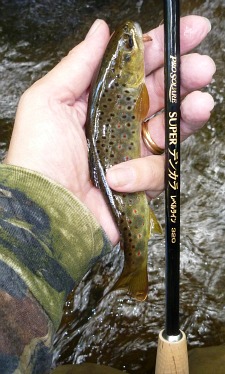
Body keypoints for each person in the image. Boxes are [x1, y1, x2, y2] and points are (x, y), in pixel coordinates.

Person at [0, 16, 216, 374]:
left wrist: (42, 208)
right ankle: (137, 267)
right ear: (122, 72)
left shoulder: (121, 85)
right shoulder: (117, 87)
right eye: (129, 47)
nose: (133, 37)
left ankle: (136, 265)